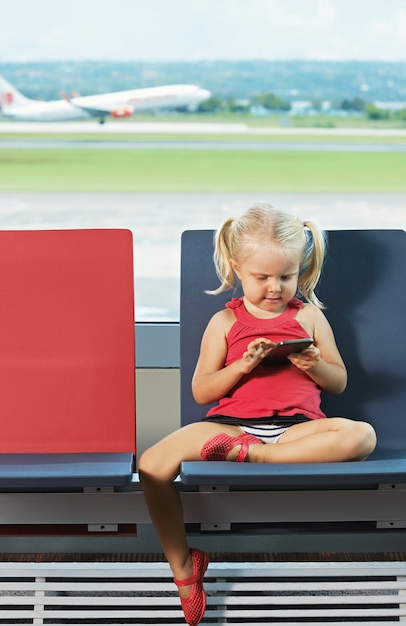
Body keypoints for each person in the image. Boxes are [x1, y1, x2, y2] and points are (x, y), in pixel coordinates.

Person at [139, 203, 377, 626]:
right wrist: (242, 366)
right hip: (227, 428)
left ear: (300, 271)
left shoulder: (308, 317)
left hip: (295, 433)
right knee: (152, 465)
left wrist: (312, 364)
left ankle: (256, 454)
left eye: (285, 277)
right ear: (236, 269)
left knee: (363, 436)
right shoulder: (225, 322)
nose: (274, 287)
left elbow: (338, 382)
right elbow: (201, 391)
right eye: (262, 277)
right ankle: (184, 568)